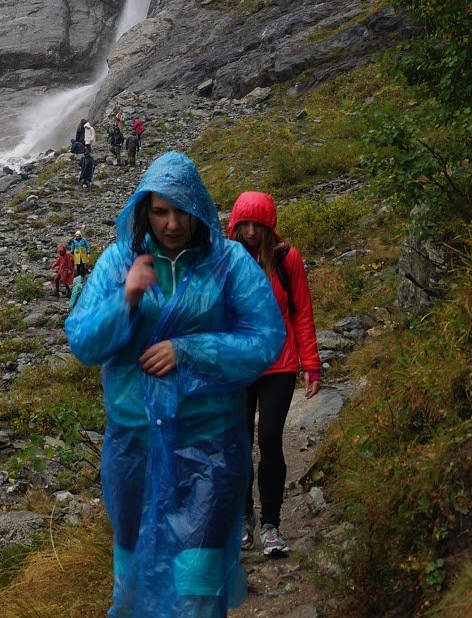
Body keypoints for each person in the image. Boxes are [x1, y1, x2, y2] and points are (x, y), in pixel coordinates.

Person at [66, 152, 284, 616]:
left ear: (199, 209)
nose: (171, 224)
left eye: (181, 211)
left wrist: (188, 352)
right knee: (137, 582)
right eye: (160, 211)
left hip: (210, 448)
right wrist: (126, 298)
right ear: (144, 211)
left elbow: (265, 338)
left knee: (197, 586)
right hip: (134, 447)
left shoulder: (226, 264)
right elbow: (83, 341)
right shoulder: (118, 262)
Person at [227, 191, 321, 559]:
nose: (251, 232)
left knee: (269, 439)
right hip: (237, 366)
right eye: (244, 224)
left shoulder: (286, 259)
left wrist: (311, 364)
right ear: (235, 226)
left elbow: (302, 313)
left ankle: (271, 525)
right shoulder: (226, 261)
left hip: (279, 364)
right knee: (237, 443)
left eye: (258, 225)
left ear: (269, 226)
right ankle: (243, 519)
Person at [68, 229, 94, 307]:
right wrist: (72, 253)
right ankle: (79, 276)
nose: (78, 237)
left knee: (83, 265)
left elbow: (87, 246)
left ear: (80, 236)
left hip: (82, 253)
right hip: (77, 254)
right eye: (77, 236)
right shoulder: (74, 241)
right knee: (78, 266)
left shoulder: (84, 240)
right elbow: (72, 248)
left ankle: (83, 275)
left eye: (79, 236)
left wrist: (88, 252)